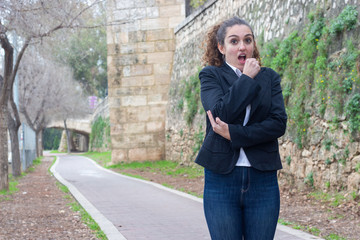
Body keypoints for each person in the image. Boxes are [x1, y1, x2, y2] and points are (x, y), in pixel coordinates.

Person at [195, 17, 287, 240]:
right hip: (221, 179)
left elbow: (277, 124)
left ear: (253, 44)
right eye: (234, 41)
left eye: (247, 40)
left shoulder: (270, 78)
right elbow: (219, 115)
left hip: (262, 179)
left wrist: (235, 134)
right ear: (221, 47)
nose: (242, 46)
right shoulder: (210, 75)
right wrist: (246, 78)